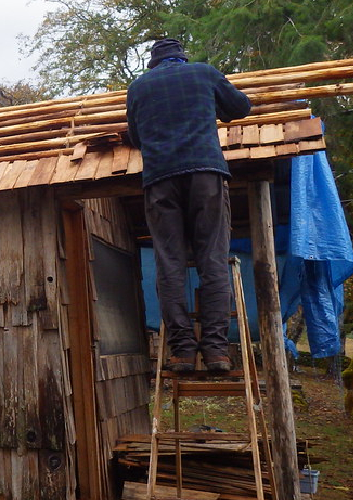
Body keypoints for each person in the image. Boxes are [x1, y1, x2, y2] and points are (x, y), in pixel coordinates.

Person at [126, 39, 251, 372]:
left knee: (169, 263)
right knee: (212, 259)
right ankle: (216, 351)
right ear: (183, 57)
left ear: (153, 63)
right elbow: (241, 107)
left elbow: (136, 138)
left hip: (160, 179)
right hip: (205, 174)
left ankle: (182, 352)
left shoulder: (138, 88)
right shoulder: (204, 74)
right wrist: (213, 108)